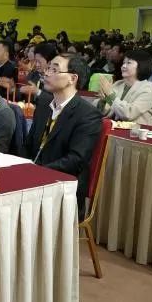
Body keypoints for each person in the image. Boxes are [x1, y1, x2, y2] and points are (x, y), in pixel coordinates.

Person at [23, 54, 103, 210]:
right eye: (48, 68)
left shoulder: (87, 114)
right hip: (32, 179)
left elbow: (76, 160)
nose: (47, 73)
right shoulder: (44, 104)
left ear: (72, 78)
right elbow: (29, 144)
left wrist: (38, 171)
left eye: (54, 70)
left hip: (62, 188)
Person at [95, 49, 152, 126]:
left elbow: (128, 114)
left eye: (129, 63)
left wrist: (110, 95)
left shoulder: (147, 88)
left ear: (142, 66)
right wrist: (103, 101)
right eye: (123, 62)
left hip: (141, 131)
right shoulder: (118, 84)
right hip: (117, 128)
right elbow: (109, 111)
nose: (123, 66)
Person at [19, 41, 57, 107]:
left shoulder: (57, 79)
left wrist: (38, 92)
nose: (36, 65)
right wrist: (12, 89)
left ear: (50, 62)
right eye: (36, 61)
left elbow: (56, 102)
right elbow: (22, 93)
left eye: (39, 62)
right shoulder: (33, 74)